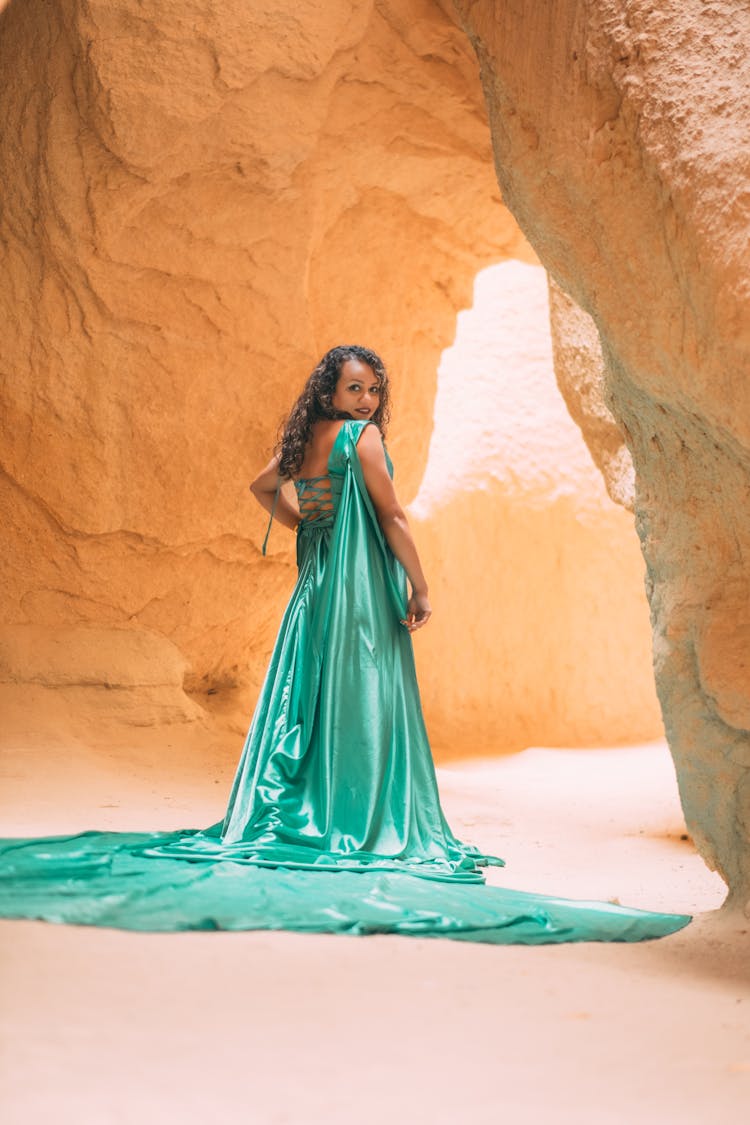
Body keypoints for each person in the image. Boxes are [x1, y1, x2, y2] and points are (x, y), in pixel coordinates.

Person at [0, 345, 692, 943]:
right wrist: (420, 586)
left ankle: (311, 807)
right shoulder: (361, 440)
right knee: (360, 701)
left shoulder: (308, 437)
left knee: (311, 694)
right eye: (353, 387)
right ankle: (355, 820)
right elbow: (392, 513)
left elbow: (263, 485)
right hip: (359, 594)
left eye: (372, 388)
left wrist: (309, 521)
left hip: (317, 587)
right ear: (329, 388)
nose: (365, 398)